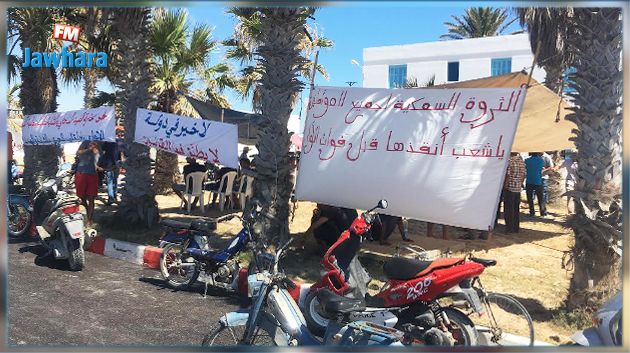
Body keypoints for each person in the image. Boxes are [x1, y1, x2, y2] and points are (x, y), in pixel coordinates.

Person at [75, 141, 101, 226]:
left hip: (92, 174)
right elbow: (78, 152)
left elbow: (97, 158)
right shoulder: (85, 142)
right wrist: (89, 149)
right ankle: (85, 215)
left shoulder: (100, 143)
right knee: (81, 197)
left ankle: (89, 219)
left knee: (91, 198)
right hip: (81, 173)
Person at [504, 152, 526, 233]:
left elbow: (508, 175)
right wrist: (520, 183)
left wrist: (505, 186)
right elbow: (523, 174)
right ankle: (516, 228)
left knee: (509, 209)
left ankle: (509, 228)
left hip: (510, 187)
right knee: (516, 209)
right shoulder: (521, 162)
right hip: (517, 188)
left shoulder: (509, 161)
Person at [524, 152, 547, 217]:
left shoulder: (527, 160)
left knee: (530, 198)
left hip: (529, 180)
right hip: (538, 180)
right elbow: (542, 169)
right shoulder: (541, 160)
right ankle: (543, 212)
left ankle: (532, 212)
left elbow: (525, 169)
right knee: (540, 198)